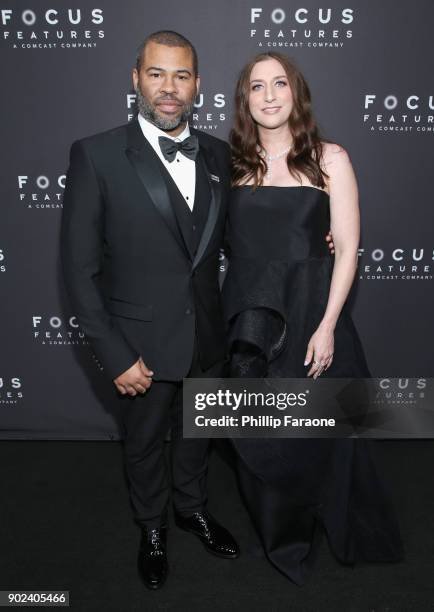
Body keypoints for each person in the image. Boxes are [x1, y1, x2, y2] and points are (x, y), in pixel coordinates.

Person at [60, 30, 240, 591]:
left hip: (207, 335)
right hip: (137, 343)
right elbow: (79, 271)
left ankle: (192, 509)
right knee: (142, 446)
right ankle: (152, 527)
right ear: (136, 78)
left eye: (181, 75)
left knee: (196, 438)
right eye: (157, 74)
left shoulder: (217, 152)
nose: (169, 88)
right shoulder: (96, 153)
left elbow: (239, 238)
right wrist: (114, 353)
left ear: (197, 85)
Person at [222, 52, 404, 585]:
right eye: (258, 87)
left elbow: (347, 249)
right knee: (258, 429)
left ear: (296, 93)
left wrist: (327, 325)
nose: (271, 95)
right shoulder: (228, 164)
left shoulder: (330, 158)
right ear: (245, 100)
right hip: (251, 316)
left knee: (323, 430)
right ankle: (281, 538)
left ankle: (332, 527)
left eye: (281, 84)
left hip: (311, 310)